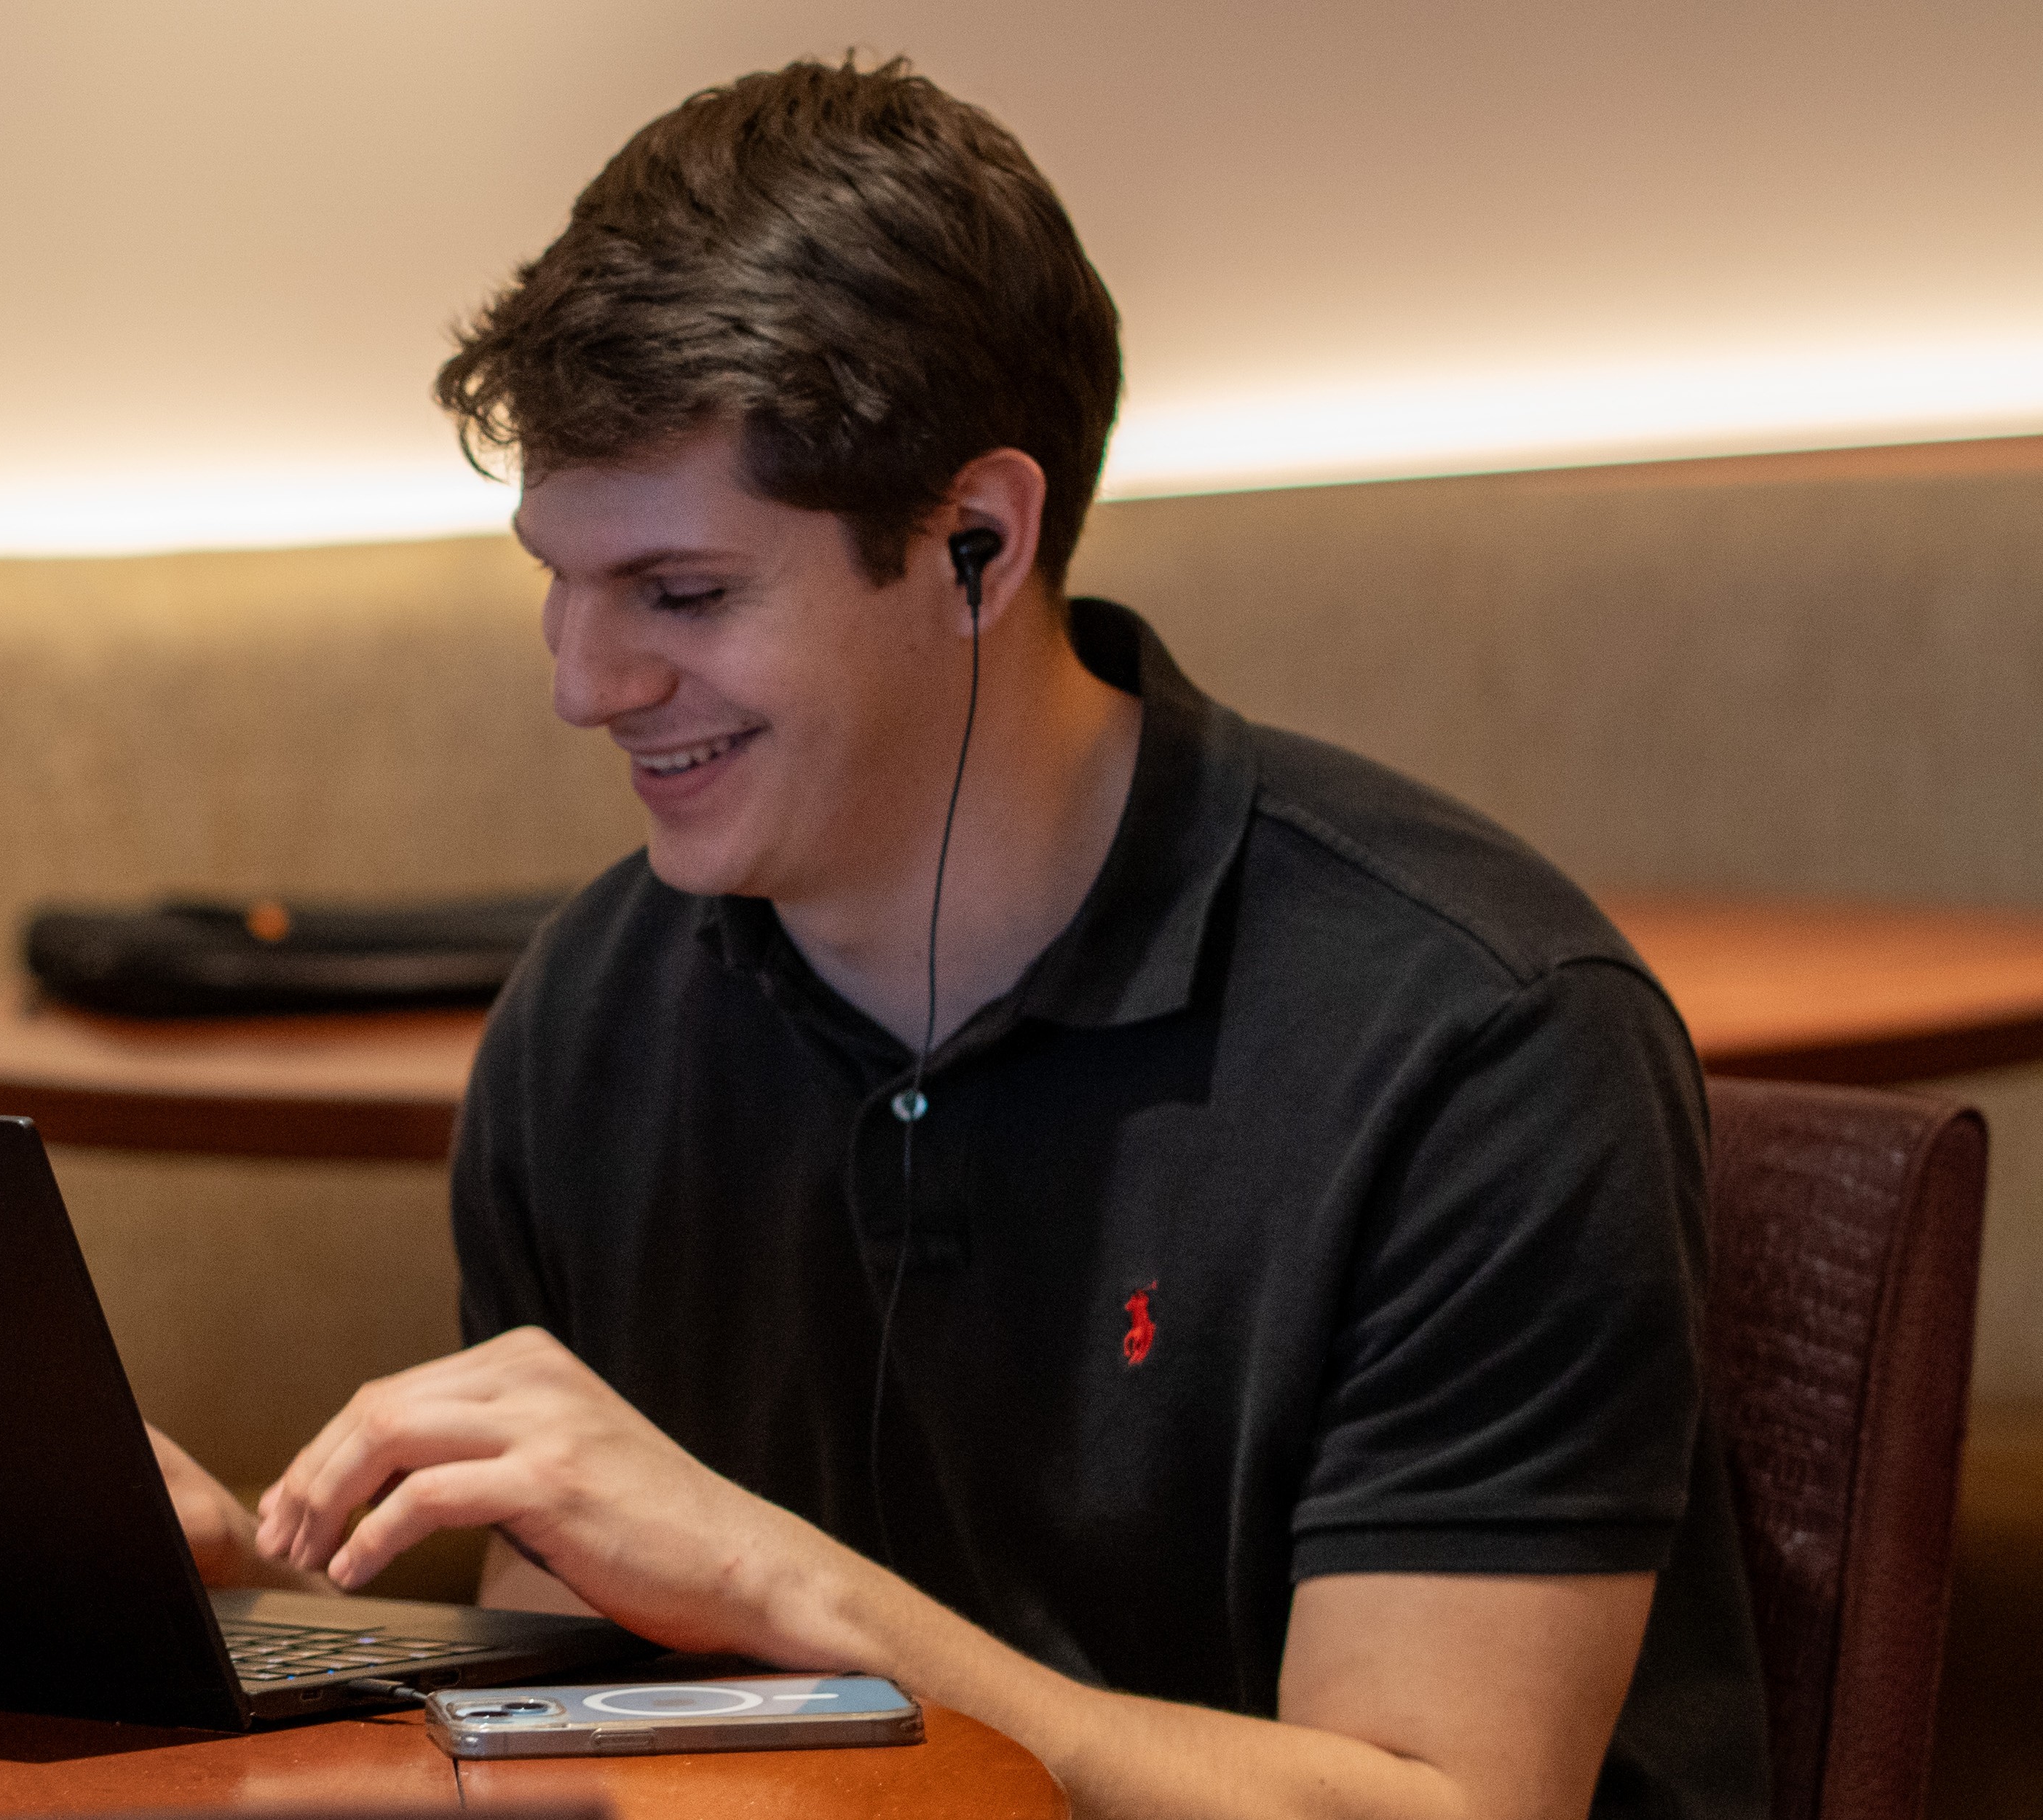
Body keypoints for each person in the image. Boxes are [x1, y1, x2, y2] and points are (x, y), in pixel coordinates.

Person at [157, 58, 1761, 1820]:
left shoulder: (1479, 1043)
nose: (582, 682)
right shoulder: (592, 1015)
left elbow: (1444, 1805)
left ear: (979, 545)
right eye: (562, 578)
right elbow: (604, 1715)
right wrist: (248, 1613)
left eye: (682, 594)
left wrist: (794, 1591)